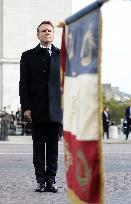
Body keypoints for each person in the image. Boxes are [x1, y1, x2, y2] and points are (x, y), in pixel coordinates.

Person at [19, 21, 62, 193]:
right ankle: (40, 181)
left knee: (53, 148)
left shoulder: (62, 55)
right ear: (38, 35)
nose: (46, 33)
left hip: (55, 111)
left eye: (49, 31)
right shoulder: (28, 56)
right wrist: (26, 107)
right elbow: (24, 84)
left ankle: (51, 181)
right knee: (38, 149)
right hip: (36, 110)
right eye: (43, 31)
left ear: (53, 34)